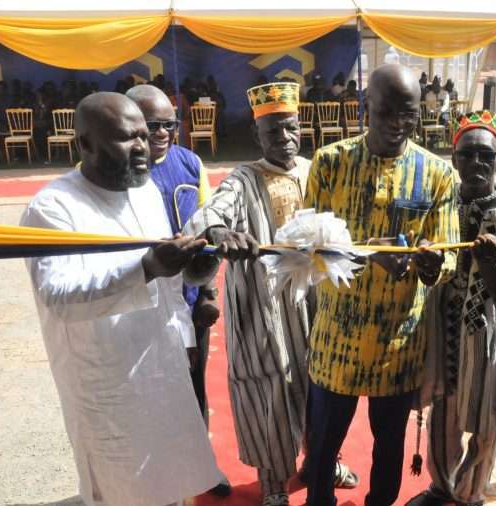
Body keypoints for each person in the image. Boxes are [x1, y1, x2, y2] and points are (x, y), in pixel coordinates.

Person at [20, 92, 222, 505]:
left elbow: (167, 285)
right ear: (86, 143)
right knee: (120, 488)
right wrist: (145, 268)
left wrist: (197, 282)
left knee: (170, 479)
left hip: (160, 365)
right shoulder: (52, 208)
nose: (143, 147)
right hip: (105, 381)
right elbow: (59, 297)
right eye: (127, 138)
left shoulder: (144, 191)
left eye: (144, 136)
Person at [183, 82, 358, 506]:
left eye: (291, 128)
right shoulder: (243, 179)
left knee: (323, 387)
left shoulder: (316, 170)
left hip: (318, 302)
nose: (284, 138)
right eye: (273, 131)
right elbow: (211, 214)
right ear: (257, 134)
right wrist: (219, 231)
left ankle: (322, 462)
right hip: (264, 308)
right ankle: (274, 481)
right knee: (269, 391)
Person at [302, 63, 458, 506]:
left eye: (408, 113)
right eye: (387, 111)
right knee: (323, 446)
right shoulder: (330, 163)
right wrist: (369, 252)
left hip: (398, 344)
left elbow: (448, 252)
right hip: (337, 340)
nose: (397, 123)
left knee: (388, 448)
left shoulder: (437, 173)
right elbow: (307, 247)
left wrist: (432, 264)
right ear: (365, 106)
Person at [408, 111, 496, 506]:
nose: (476, 163)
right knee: (443, 412)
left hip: (491, 334)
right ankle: (440, 487)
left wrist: (491, 262)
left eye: (486, 156)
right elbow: (425, 268)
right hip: (442, 328)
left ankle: (471, 494)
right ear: (454, 158)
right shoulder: (441, 200)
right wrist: (425, 263)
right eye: (467, 155)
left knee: (487, 418)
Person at [125, 84, 232, 497]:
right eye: (152, 125)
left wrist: (207, 295)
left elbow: (207, 228)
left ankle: (202, 468)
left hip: (187, 304)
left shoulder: (190, 163)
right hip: (136, 302)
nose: (162, 133)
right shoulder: (116, 169)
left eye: (169, 124)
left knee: (194, 389)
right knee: (145, 392)